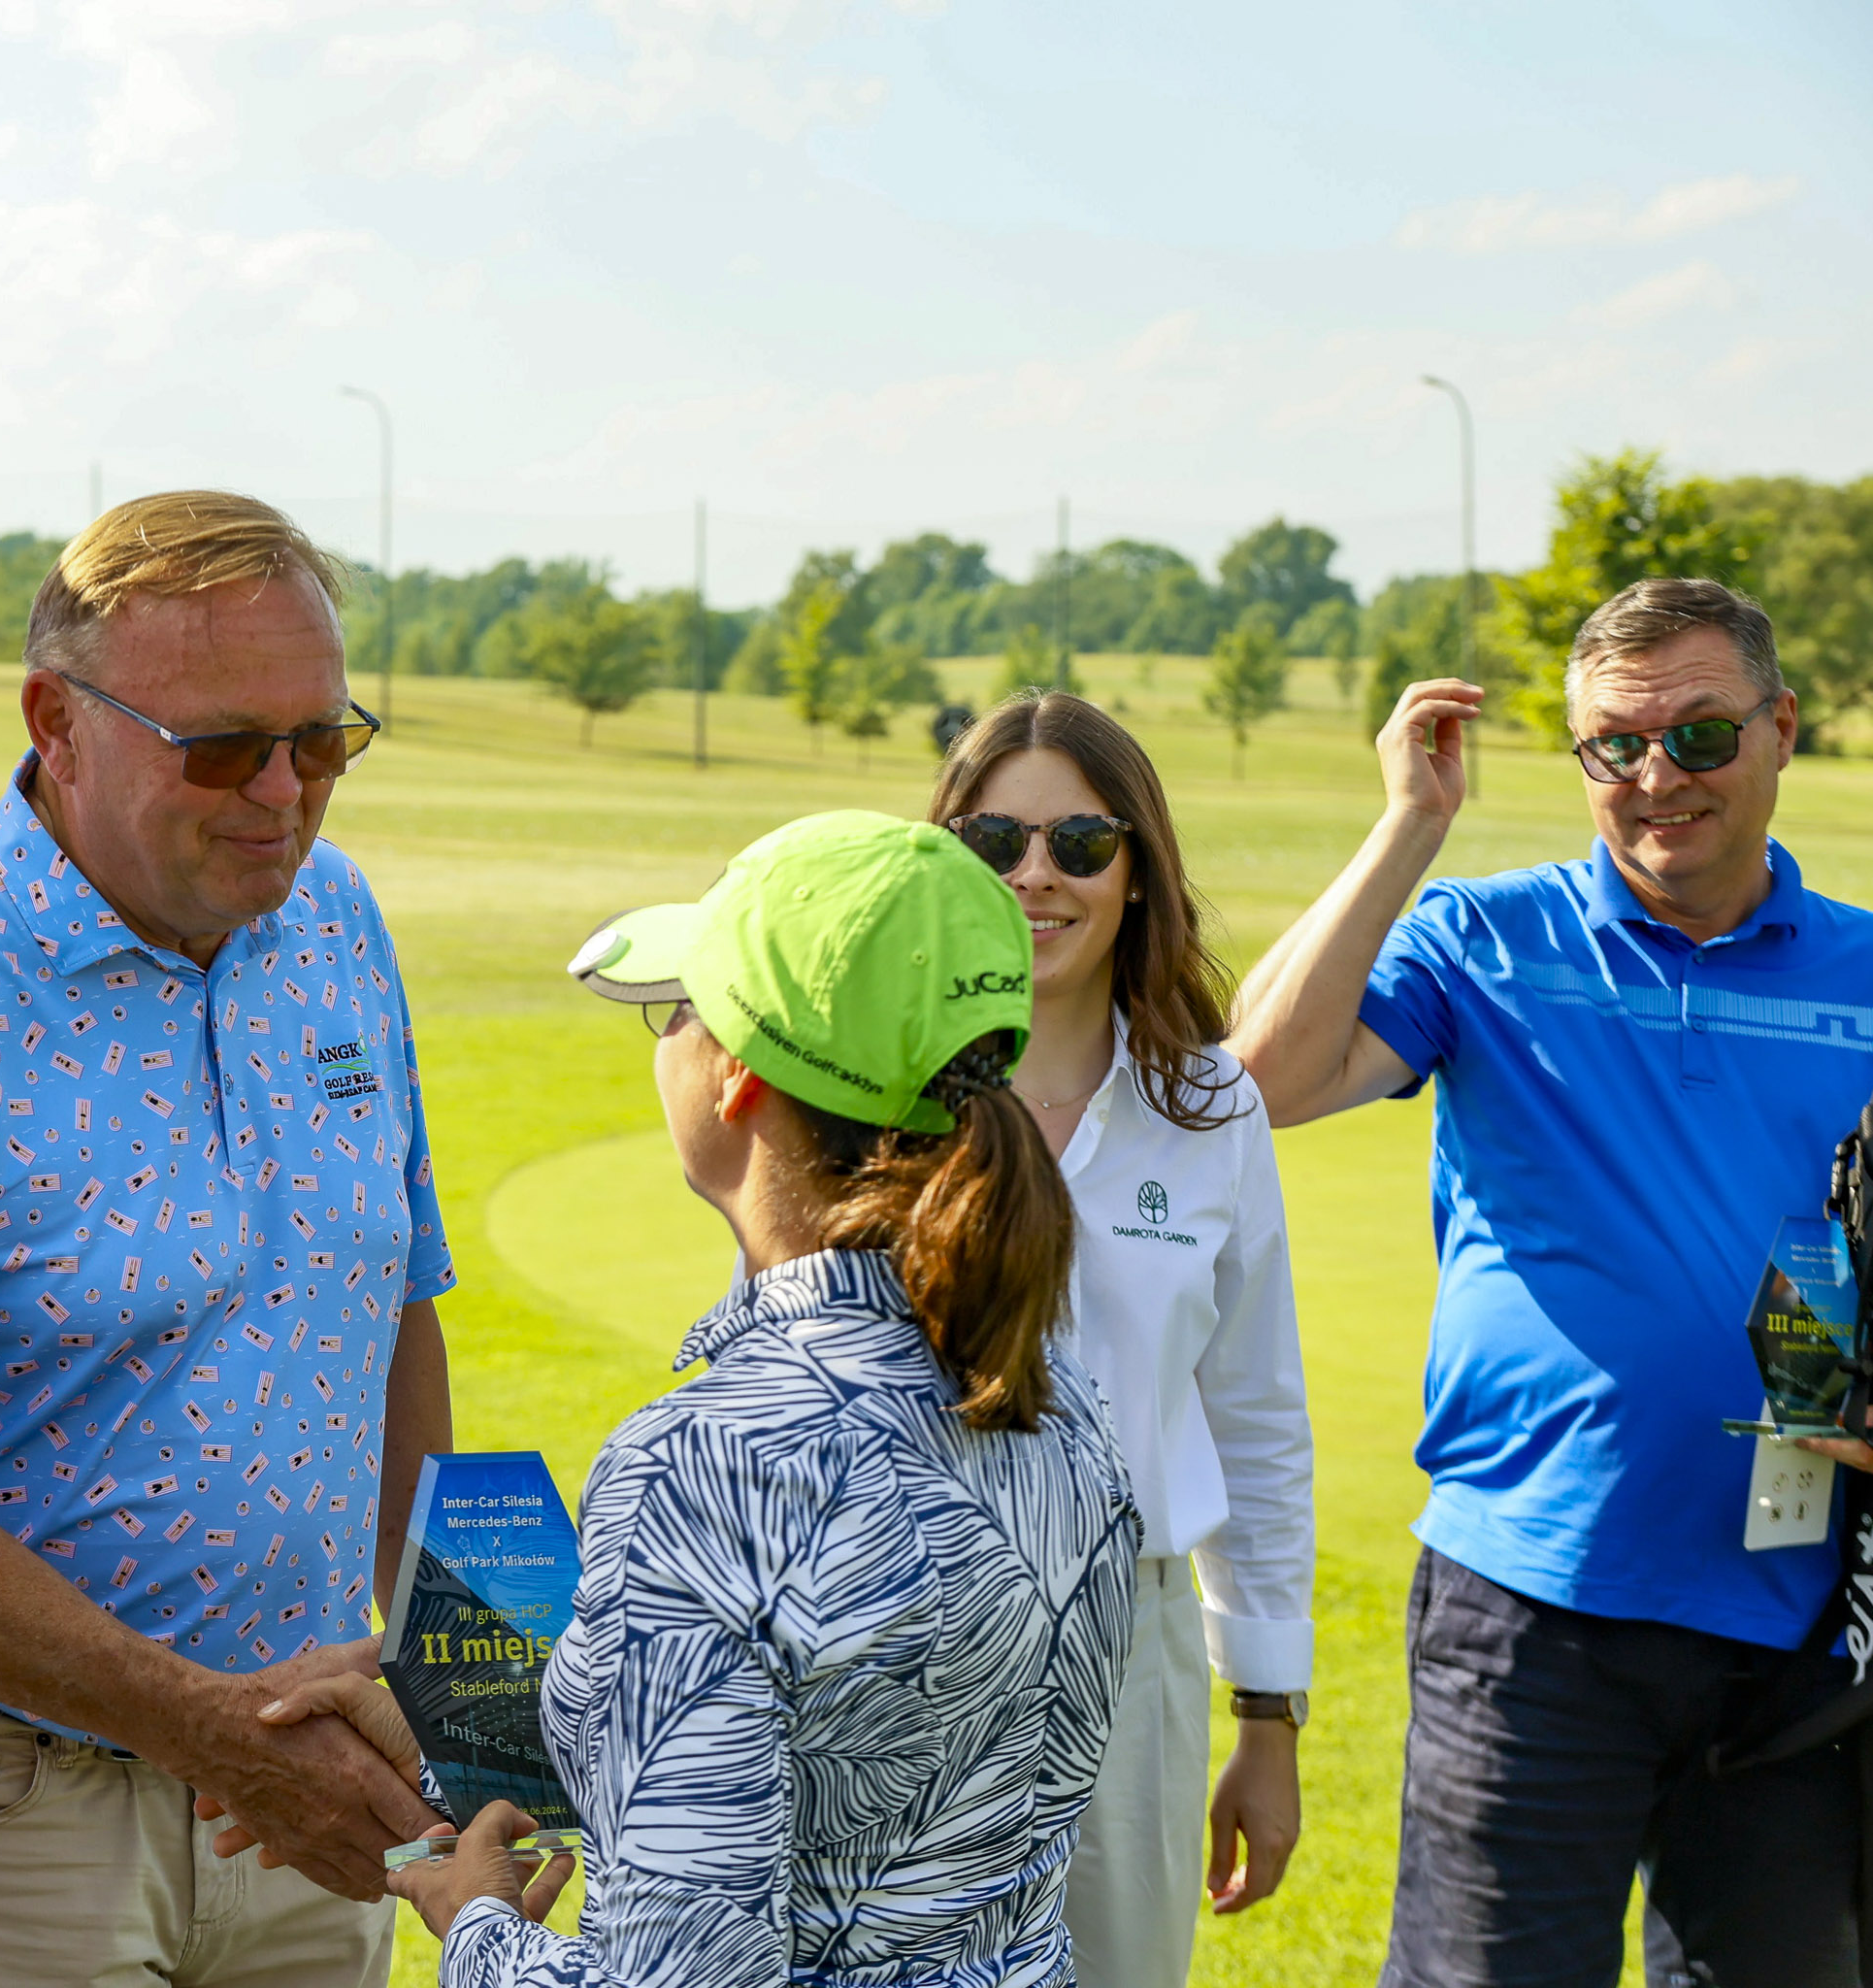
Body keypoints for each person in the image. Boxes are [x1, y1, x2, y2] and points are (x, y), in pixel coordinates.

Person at [0, 491, 454, 1988]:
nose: (285, 791)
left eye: (323, 740)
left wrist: (480, 1698)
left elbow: (392, 1305)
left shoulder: (336, 923)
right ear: (54, 723)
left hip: (311, 1789)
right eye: (220, 748)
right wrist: (211, 1737)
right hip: (3, 1808)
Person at [268, 810, 1139, 1984]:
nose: (666, 1031)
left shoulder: (703, 1464)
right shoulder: (1058, 1402)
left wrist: (478, 1921)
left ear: (736, 1074)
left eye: (678, 1003)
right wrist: (453, 1733)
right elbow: (844, 1777)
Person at [1230, 578, 1873, 1986]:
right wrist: (1409, 826)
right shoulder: (1481, 939)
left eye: (1700, 738)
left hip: (1802, 1627)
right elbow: (1259, 1083)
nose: (1658, 778)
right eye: (1613, 746)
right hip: (1530, 1616)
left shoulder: (1869, 972)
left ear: (1781, 732)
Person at [929, 693, 1311, 1984]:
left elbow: (1255, 1420)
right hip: (895, 1635)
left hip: (1128, 1645)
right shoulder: (873, 1086)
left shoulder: (1210, 1107)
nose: (1036, 874)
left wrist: (1268, 1713)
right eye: (995, 843)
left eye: (1081, 844)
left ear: (1138, 870)